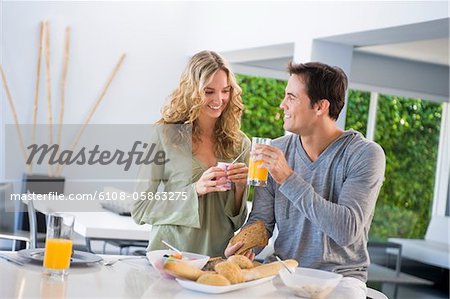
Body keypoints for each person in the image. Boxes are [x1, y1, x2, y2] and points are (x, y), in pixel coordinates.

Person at [225, 62, 386, 298]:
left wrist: (288, 178)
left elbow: (347, 230)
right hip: (283, 272)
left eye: (291, 97)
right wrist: (243, 246)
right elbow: (262, 221)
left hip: (339, 279)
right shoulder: (277, 150)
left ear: (320, 106)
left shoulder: (364, 154)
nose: (282, 105)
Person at [132, 50, 250, 257]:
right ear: (192, 91)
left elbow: (237, 221)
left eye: (225, 90)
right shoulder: (164, 136)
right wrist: (195, 189)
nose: (219, 99)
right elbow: (141, 208)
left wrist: (241, 188)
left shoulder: (240, 144)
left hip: (217, 259)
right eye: (209, 91)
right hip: (170, 257)